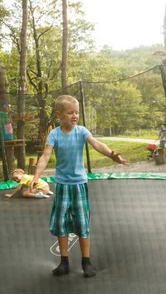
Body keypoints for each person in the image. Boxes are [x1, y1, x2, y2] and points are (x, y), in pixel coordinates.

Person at [30, 95, 129, 278]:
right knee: (61, 224)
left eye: (76, 112)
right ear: (59, 115)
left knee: (82, 223)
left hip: (79, 184)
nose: (74, 116)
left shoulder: (82, 131)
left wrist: (112, 155)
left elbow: (97, 144)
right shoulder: (54, 134)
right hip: (62, 185)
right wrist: (36, 176)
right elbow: (45, 156)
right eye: (70, 113)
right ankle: (64, 262)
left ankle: (86, 262)